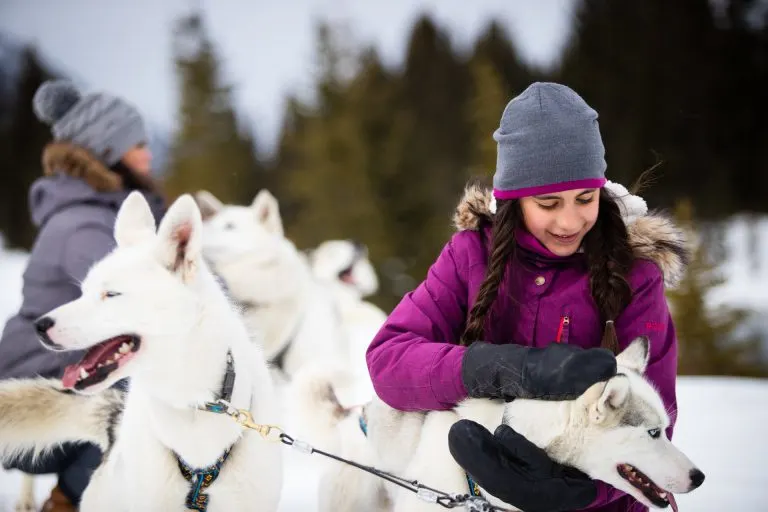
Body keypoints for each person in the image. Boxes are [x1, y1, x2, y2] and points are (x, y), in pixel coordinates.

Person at [366, 82, 688, 512]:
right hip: (469, 493)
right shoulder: (469, 255)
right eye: (548, 203)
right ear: (514, 199)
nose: (570, 221)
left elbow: (653, 420)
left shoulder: (635, 275)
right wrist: (493, 367)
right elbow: (390, 360)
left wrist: (584, 493)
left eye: (585, 198)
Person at [0, 79, 165, 511]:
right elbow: (138, 299)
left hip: (58, 375)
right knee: (151, 391)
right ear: (109, 151)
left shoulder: (96, 213)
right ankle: (71, 499)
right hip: (35, 398)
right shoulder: (84, 226)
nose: (148, 154)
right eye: (139, 143)